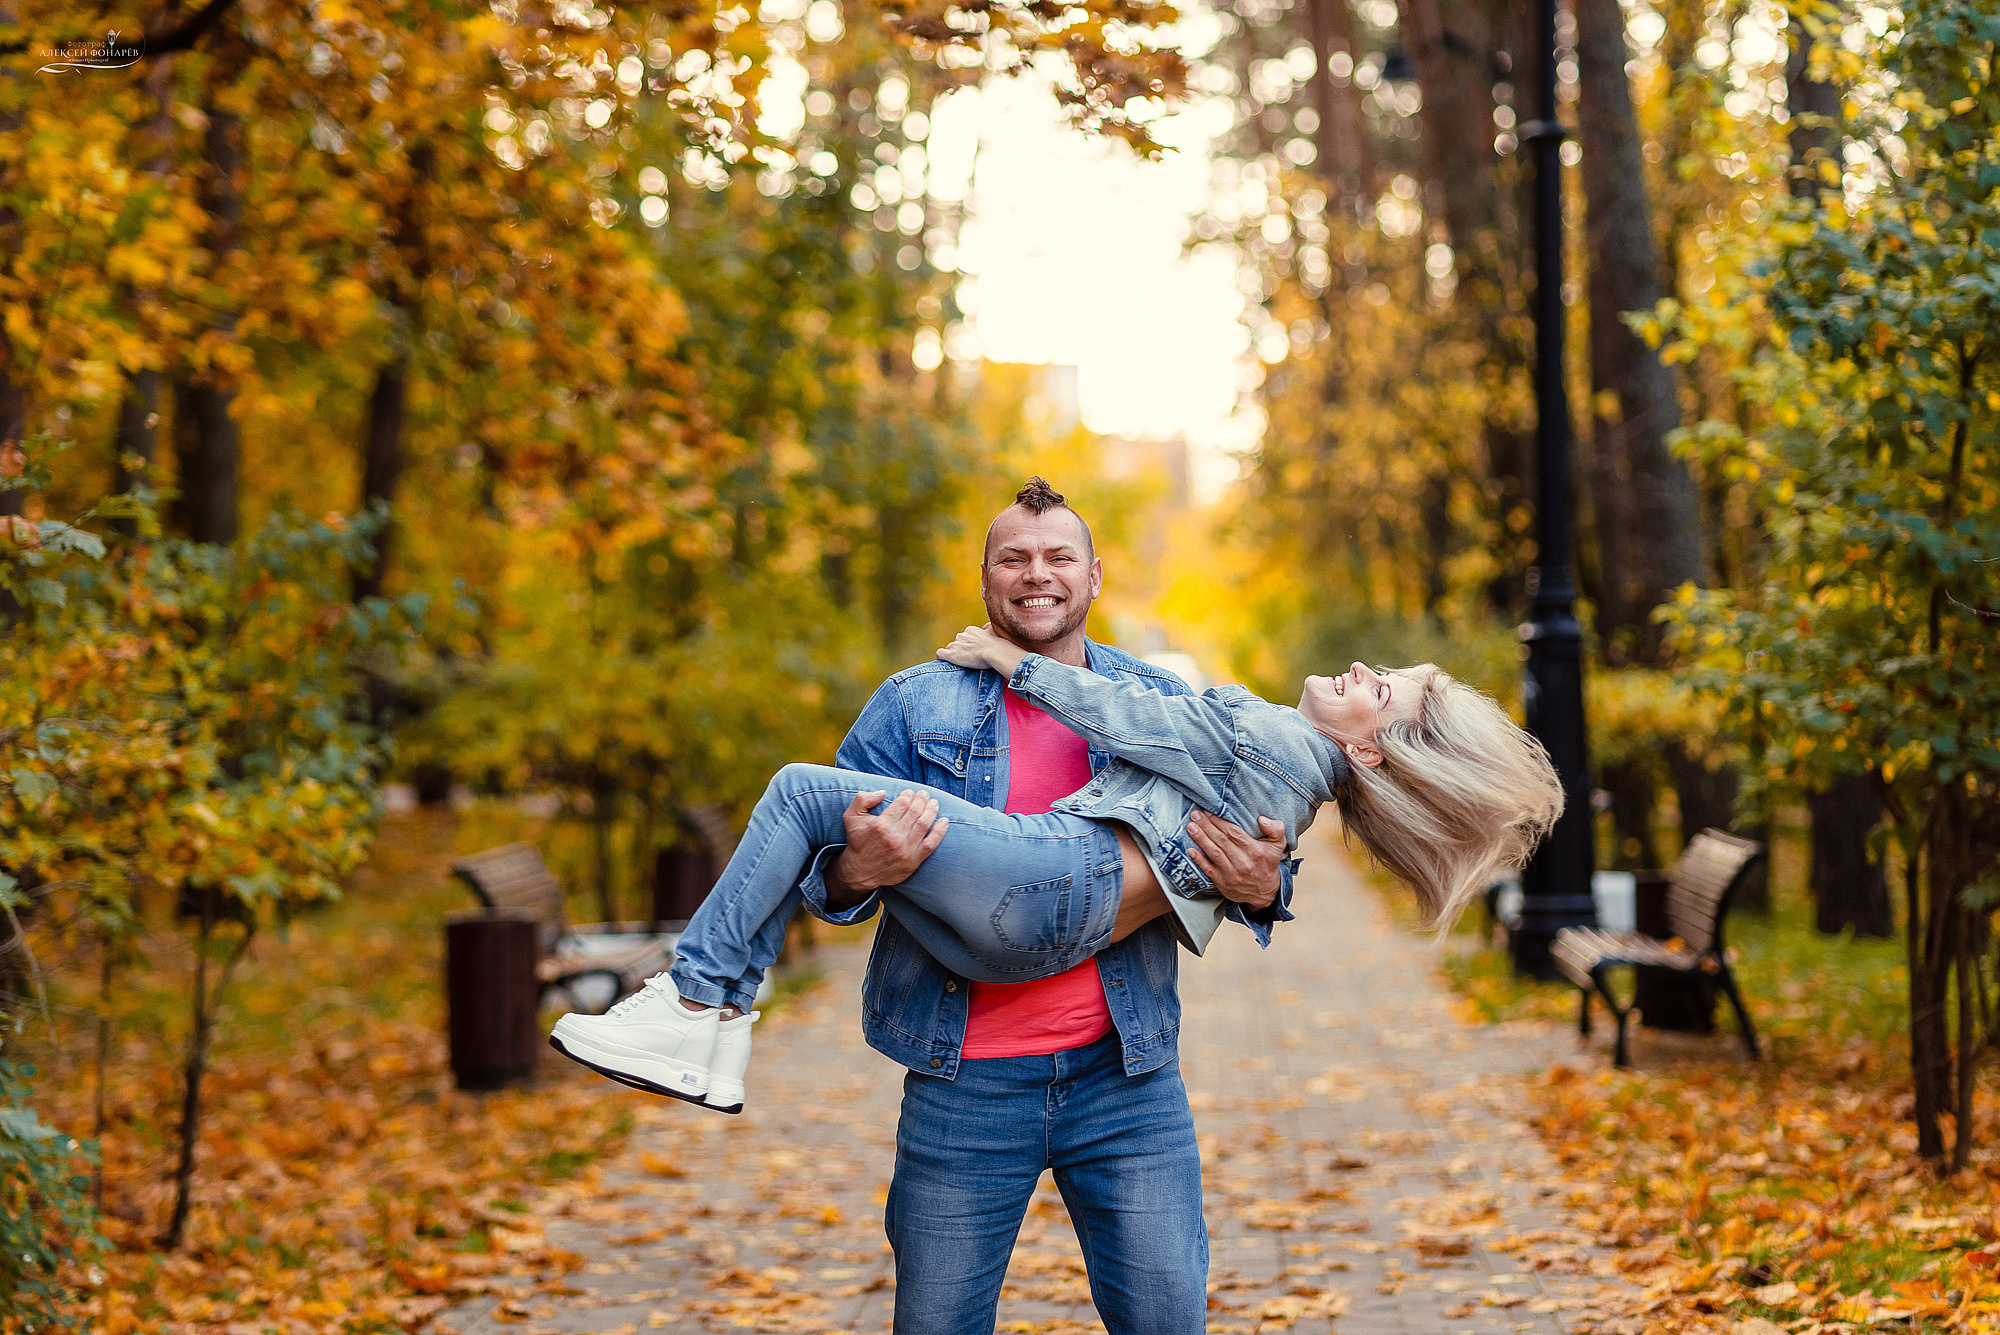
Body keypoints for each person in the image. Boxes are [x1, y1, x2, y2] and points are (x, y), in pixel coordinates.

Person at [551, 629, 1561, 1106]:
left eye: (1379, 691)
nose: (1362, 671)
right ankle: (714, 1030)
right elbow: (1221, 844)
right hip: (1031, 935)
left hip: (1054, 884)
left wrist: (1014, 665)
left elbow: (1137, 717)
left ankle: (698, 1003)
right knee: (834, 811)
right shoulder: (1292, 775)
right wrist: (861, 871)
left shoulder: (1282, 743)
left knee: (793, 789)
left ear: (1370, 751)